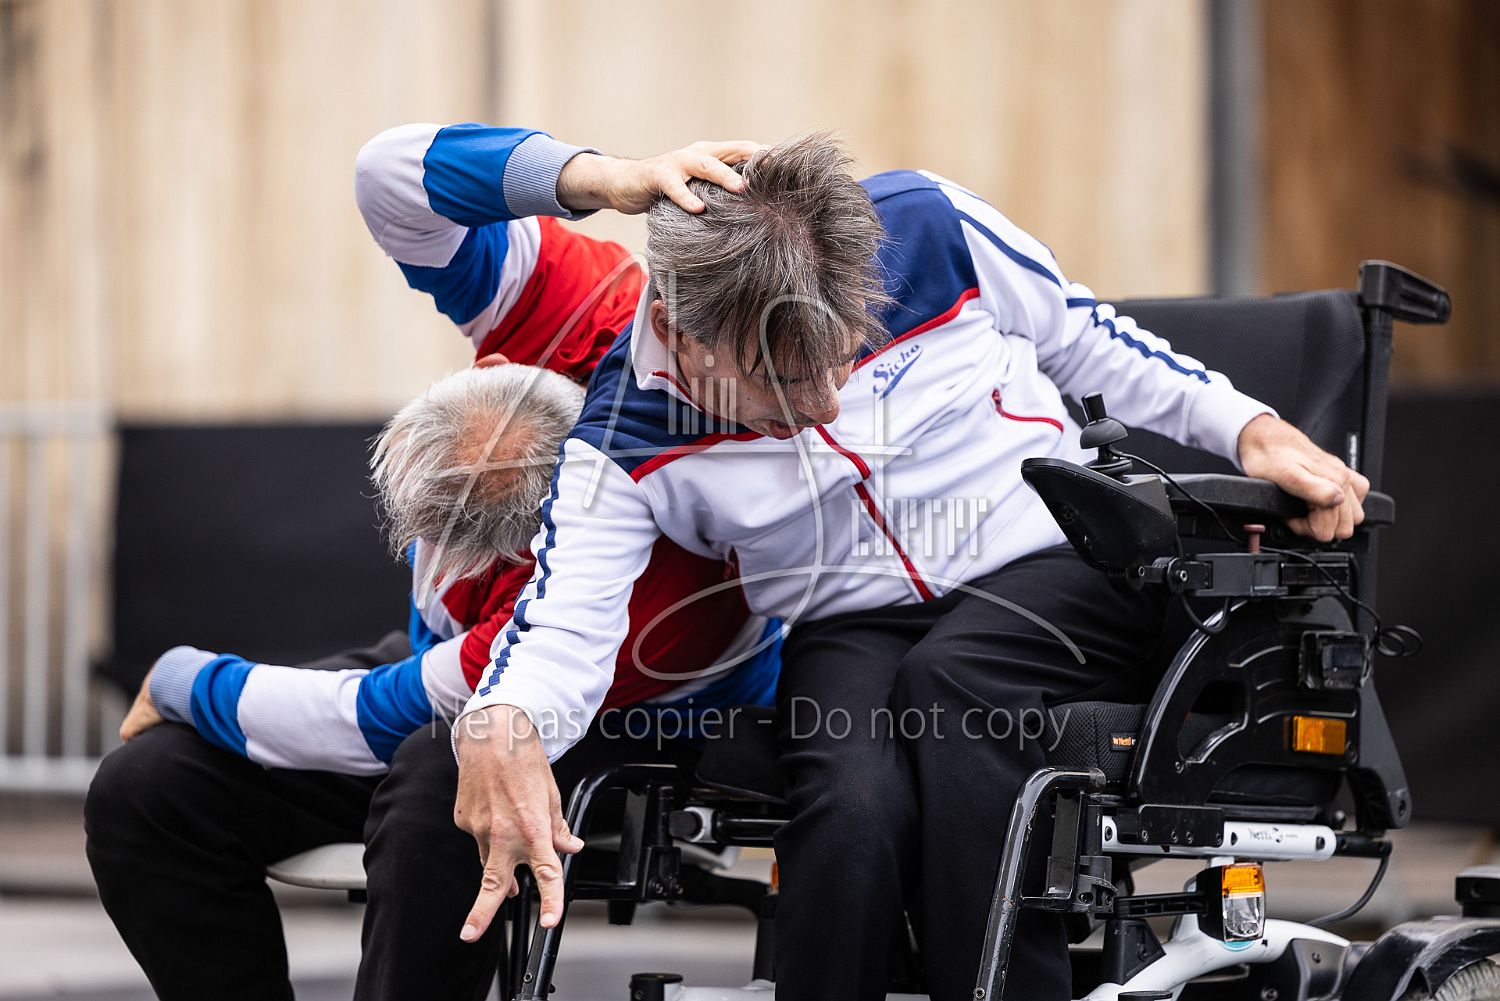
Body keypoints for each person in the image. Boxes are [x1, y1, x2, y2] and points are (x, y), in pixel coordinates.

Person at [363, 123, 1370, 1001]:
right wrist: (504, 720)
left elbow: (1088, 339)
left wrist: (1251, 429)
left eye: (847, 356)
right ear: (678, 332)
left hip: (1058, 560)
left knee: (955, 679)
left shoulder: (929, 226)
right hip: (854, 621)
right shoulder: (620, 442)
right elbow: (563, 640)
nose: (829, 403)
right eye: (785, 382)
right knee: (850, 811)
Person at [85, 127, 781, 1001]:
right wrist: (609, 178)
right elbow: (389, 175)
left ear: (528, 546)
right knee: (147, 788)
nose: (429, 555)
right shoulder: (576, 307)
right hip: (448, 670)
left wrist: (186, 679)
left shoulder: (619, 582)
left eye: (453, 541)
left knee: (435, 779)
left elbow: (372, 718)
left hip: (628, 714)